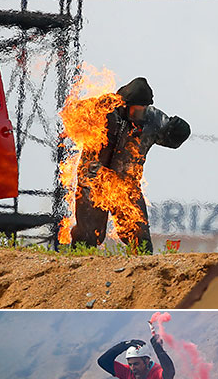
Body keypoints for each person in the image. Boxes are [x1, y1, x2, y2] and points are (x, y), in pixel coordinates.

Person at [71, 77, 190, 252]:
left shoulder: (153, 118)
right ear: (125, 105)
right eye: (136, 111)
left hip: (126, 186)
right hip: (93, 182)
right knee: (88, 237)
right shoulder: (104, 108)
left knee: (140, 240)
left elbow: (171, 139)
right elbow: (72, 116)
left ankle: (144, 276)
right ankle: (74, 273)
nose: (140, 116)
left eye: (144, 110)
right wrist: (89, 110)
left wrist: (181, 130)